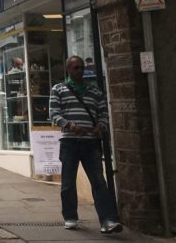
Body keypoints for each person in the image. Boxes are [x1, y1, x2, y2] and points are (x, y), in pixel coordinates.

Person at [50, 56, 122, 234]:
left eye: (82, 68)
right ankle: (70, 217)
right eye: (76, 68)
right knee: (68, 182)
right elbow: (54, 114)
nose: (80, 71)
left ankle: (108, 220)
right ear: (68, 69)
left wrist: (101, 126)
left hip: (91, 142)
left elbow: (104, 113)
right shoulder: (58, 89)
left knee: (98, 181)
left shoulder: (94, 91)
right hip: (69, 142)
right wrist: (70, 125)